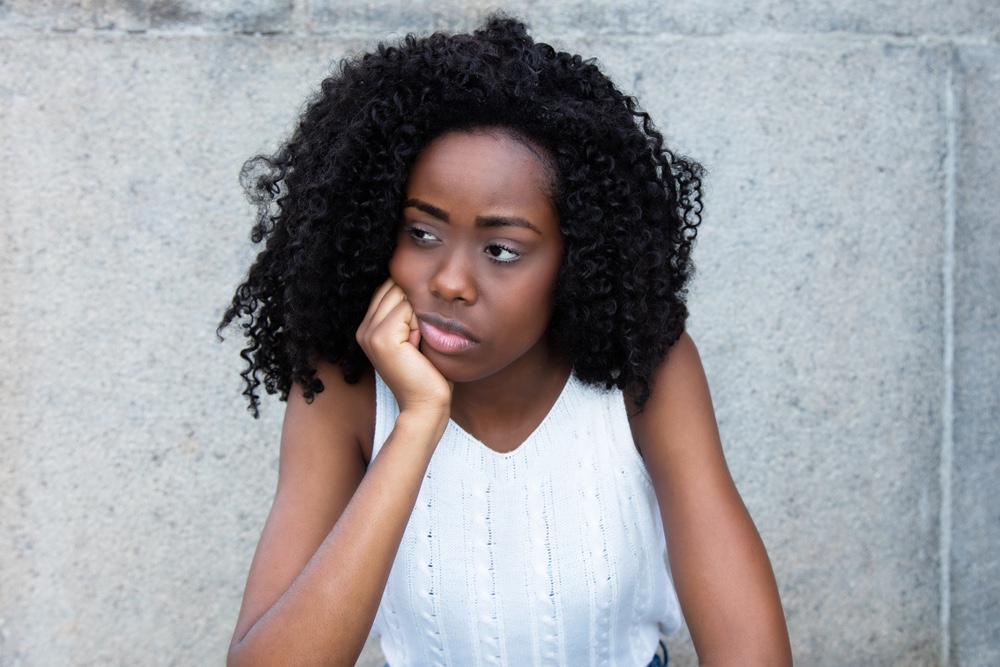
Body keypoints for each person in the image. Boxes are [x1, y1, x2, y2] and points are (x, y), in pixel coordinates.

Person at [220, 14, 791, 667]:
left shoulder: (645, 368)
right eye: (422, 233)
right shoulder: (345, 383)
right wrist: (416, 423)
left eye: (501, 248)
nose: (451, 280)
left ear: (577, 260)